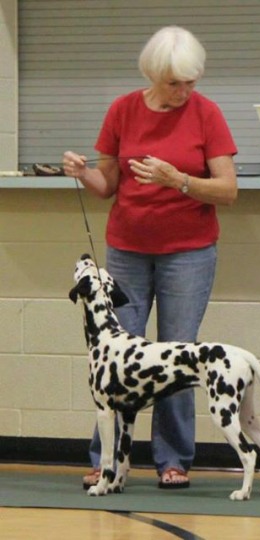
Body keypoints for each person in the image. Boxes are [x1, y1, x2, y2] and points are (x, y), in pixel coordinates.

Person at [63, 26, 238, 490]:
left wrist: (177, 180)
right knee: (116, 355)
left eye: (190, 83)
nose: (183, 92)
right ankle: (107, 460)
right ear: (153, 77)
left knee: (178, 352)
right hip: (127, 250)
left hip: (189, 253)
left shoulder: (207, 114)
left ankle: (173, 459)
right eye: (173, 84)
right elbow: (107, 186)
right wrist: (83, 174)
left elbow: (228, 190)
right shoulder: (122, 110)